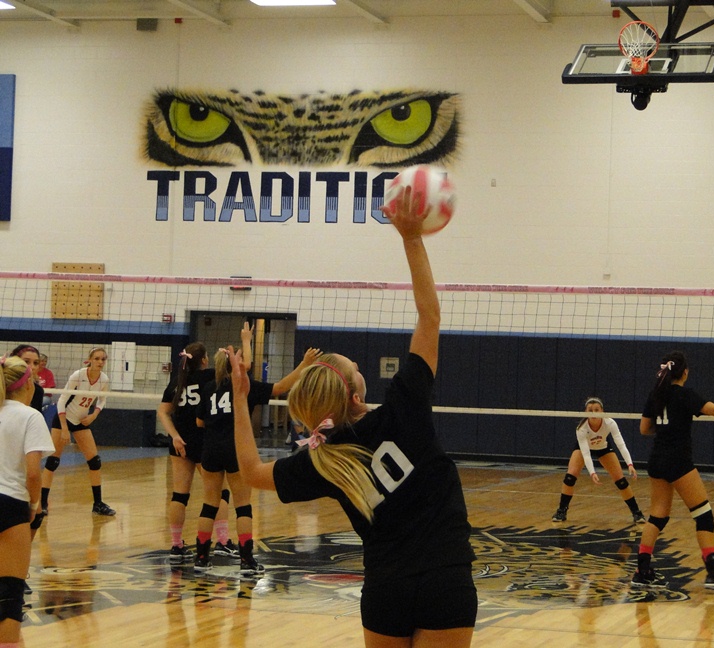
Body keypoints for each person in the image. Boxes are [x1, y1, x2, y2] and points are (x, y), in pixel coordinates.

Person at [228, 186, 477, 648]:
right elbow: (429, 318)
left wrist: (242, 399)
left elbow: (249, 472)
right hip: (445, 579)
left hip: (384, 590)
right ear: (355, 391)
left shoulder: (323, 461)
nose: (361, 369)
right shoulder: (404, 409)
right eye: (356, 368)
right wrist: (410, 237)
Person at [193, 324, 320, 576]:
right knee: (243, 506)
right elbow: (280, 387)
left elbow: (199, 422)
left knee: (209, 504)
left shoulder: (209, 388)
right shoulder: (245, 386)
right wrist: (304, 364)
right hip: (236, 450)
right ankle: (247, 560)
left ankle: (201, 558)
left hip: (210, 449)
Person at [632, 350, 714, 591]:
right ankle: (713, 573)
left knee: (658, 516)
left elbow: (644, 429)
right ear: (685, 372)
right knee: (703, 514)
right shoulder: (684, 395)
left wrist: (666, 429)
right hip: (678, 460)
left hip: (657, 459)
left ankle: (642, 571)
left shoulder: (656, 394)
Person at [157, 342, 236, 564]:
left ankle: (176, 545)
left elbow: (163, 412)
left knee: (179, 495)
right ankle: (222, 542)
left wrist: (174, 435)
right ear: (203, 360)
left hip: (180, 442)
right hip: (204, 441)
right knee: (218, 493)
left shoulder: (177, 382)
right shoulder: (209, 377)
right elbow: (241, 368)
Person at [0, 355, 54, 647]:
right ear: (28, 384)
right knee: (9, 592)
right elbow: (34, 473)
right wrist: (34, 506)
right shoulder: (29, 416)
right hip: (10, 503)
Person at [40, 347, 115, 516]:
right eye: (97, 359)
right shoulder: (78, 375)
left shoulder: (104, 379)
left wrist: (93, 415)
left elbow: (102, 400)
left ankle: (98, 503)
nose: (100, 362)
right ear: (90, 359)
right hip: (63, 419)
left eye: (103, 359)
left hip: (82, 421)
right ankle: (43, 502)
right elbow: (61, 401)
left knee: (95, 461)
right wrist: (64, 428)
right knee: (53, 462)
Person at [551, 397, 645, 525]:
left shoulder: (610, 423)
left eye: (596, 410)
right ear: (585, 412)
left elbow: (621, 444)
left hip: (603, 448)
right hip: (584, 449)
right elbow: (586, 453)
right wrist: (592, 473)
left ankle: (637, 513)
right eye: (590, 410)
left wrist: (629, 464)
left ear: (602, 411)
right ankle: (561, 511)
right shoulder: (581, 428)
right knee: (570, 477)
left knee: (621, 481)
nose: (593, 413)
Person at [9, 345, 46, 412]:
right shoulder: (4, 385)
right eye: (26, 361)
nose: (32, 367)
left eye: (36, 363)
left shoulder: (38, 391)